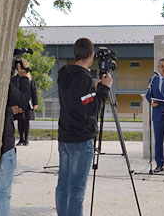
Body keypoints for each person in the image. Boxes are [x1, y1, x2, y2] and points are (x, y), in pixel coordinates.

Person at [55, 38, 112, 216]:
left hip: (65, 137)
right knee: (77, 189)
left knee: (63, 186)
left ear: (75, 53)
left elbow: (77, 98)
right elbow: (91, 109)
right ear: (92, 55)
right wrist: (104, 89)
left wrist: (93, 88)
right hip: (81, 139)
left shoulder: (64, 73)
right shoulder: (84, 77)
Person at [0, 73, 24, 216]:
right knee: (3, 196)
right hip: (5, 147)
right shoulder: (0, 81)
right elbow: (24, 101)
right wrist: (24, 77)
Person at [12, 59, 38, 145]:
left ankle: (26, 138)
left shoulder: (30, 78)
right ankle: (21, 138)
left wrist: (35, 103)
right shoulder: (15, 79)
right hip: (18, 103)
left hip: (28, 103)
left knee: (26, 121)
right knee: (20, 121)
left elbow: (34, 90)